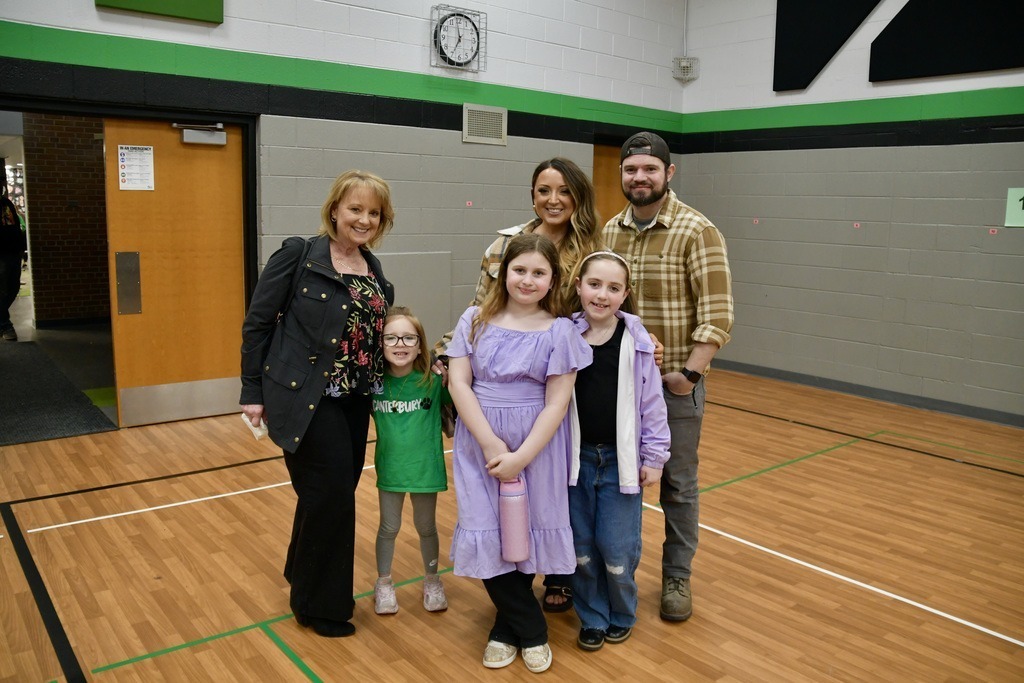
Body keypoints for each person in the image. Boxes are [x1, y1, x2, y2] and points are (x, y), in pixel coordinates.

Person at [434, 156, 602, 613]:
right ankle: (511, 583)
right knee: (498, 495)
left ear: (578, 197)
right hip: (505, 377)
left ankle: (559, 574)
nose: (554, 199)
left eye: (564, 190)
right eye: (545, 190)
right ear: (532, 194)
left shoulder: (593, 247)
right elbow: (481, 305)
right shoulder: (503, 245)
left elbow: (611, 300)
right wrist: (453, 354)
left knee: (557, 481)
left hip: (563, 370)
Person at [240, 170, 396, 638]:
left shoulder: (373, 268)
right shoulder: (299, 254)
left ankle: (302, 580)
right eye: (355, 209)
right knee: (331, 499)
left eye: (373, 212)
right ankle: (325, 606)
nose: (364, 219)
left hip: (354, 402)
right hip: (306, 399)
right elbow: (258, 324)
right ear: (334, 210)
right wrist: (251, 392)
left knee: (326, 498)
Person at [446, 233, 592, 673]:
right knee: (485, 525)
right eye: (520, 270)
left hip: (538, 446)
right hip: (481, 439)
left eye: (539, 273)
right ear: (503, 272)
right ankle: (531, 629)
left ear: (553, 280)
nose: (528, 280)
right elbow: (459, 383)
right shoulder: (474, 319)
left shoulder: (561, 330)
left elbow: (557, 401)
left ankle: (505, 627)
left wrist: (522, 456)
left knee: (524, 532)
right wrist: (492, 444)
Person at [602, 132, 733, 622]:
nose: (640, 178)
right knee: (618, 480)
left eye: (649, 170)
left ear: (668, 173)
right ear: (622, 174)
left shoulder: (697, 231)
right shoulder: (609, 232)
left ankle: (677, 575)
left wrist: (687, 376)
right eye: (631, 170)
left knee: (677, 484)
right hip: (617, 387)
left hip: (674, 386)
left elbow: (717, 313)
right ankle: (618, 572)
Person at [567, 251, 670, 651]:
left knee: (615, 546)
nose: (602, 295)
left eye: (613, 288)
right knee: (582, 548)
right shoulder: (563, 335)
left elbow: (652, 406)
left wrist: (655, 459)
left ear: (625, 295)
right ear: (578, 287)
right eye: (594, 284)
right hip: (575, 462)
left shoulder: (638, 342)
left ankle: (622, 611)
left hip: (618, 462)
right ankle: (591, 616)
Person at [370, 306, 452, 615]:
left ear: (420, 345)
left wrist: (447, 371)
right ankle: (384, 583)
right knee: (388, 527)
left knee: (426, 527)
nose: (400, 344)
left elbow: (460, 404)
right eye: (391, 338)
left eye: (408, 338)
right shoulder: (373, 384)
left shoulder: (432, 382)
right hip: (390, 469)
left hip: (425, 470)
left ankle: (432, 579)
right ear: (380, 344)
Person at [0, 175, 27, 342]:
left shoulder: (6, 203)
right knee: (2, 291)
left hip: (13, 253)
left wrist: (20, 248)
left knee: (14, 288)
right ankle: (5, 324)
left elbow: (16, 225)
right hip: (0, 255)